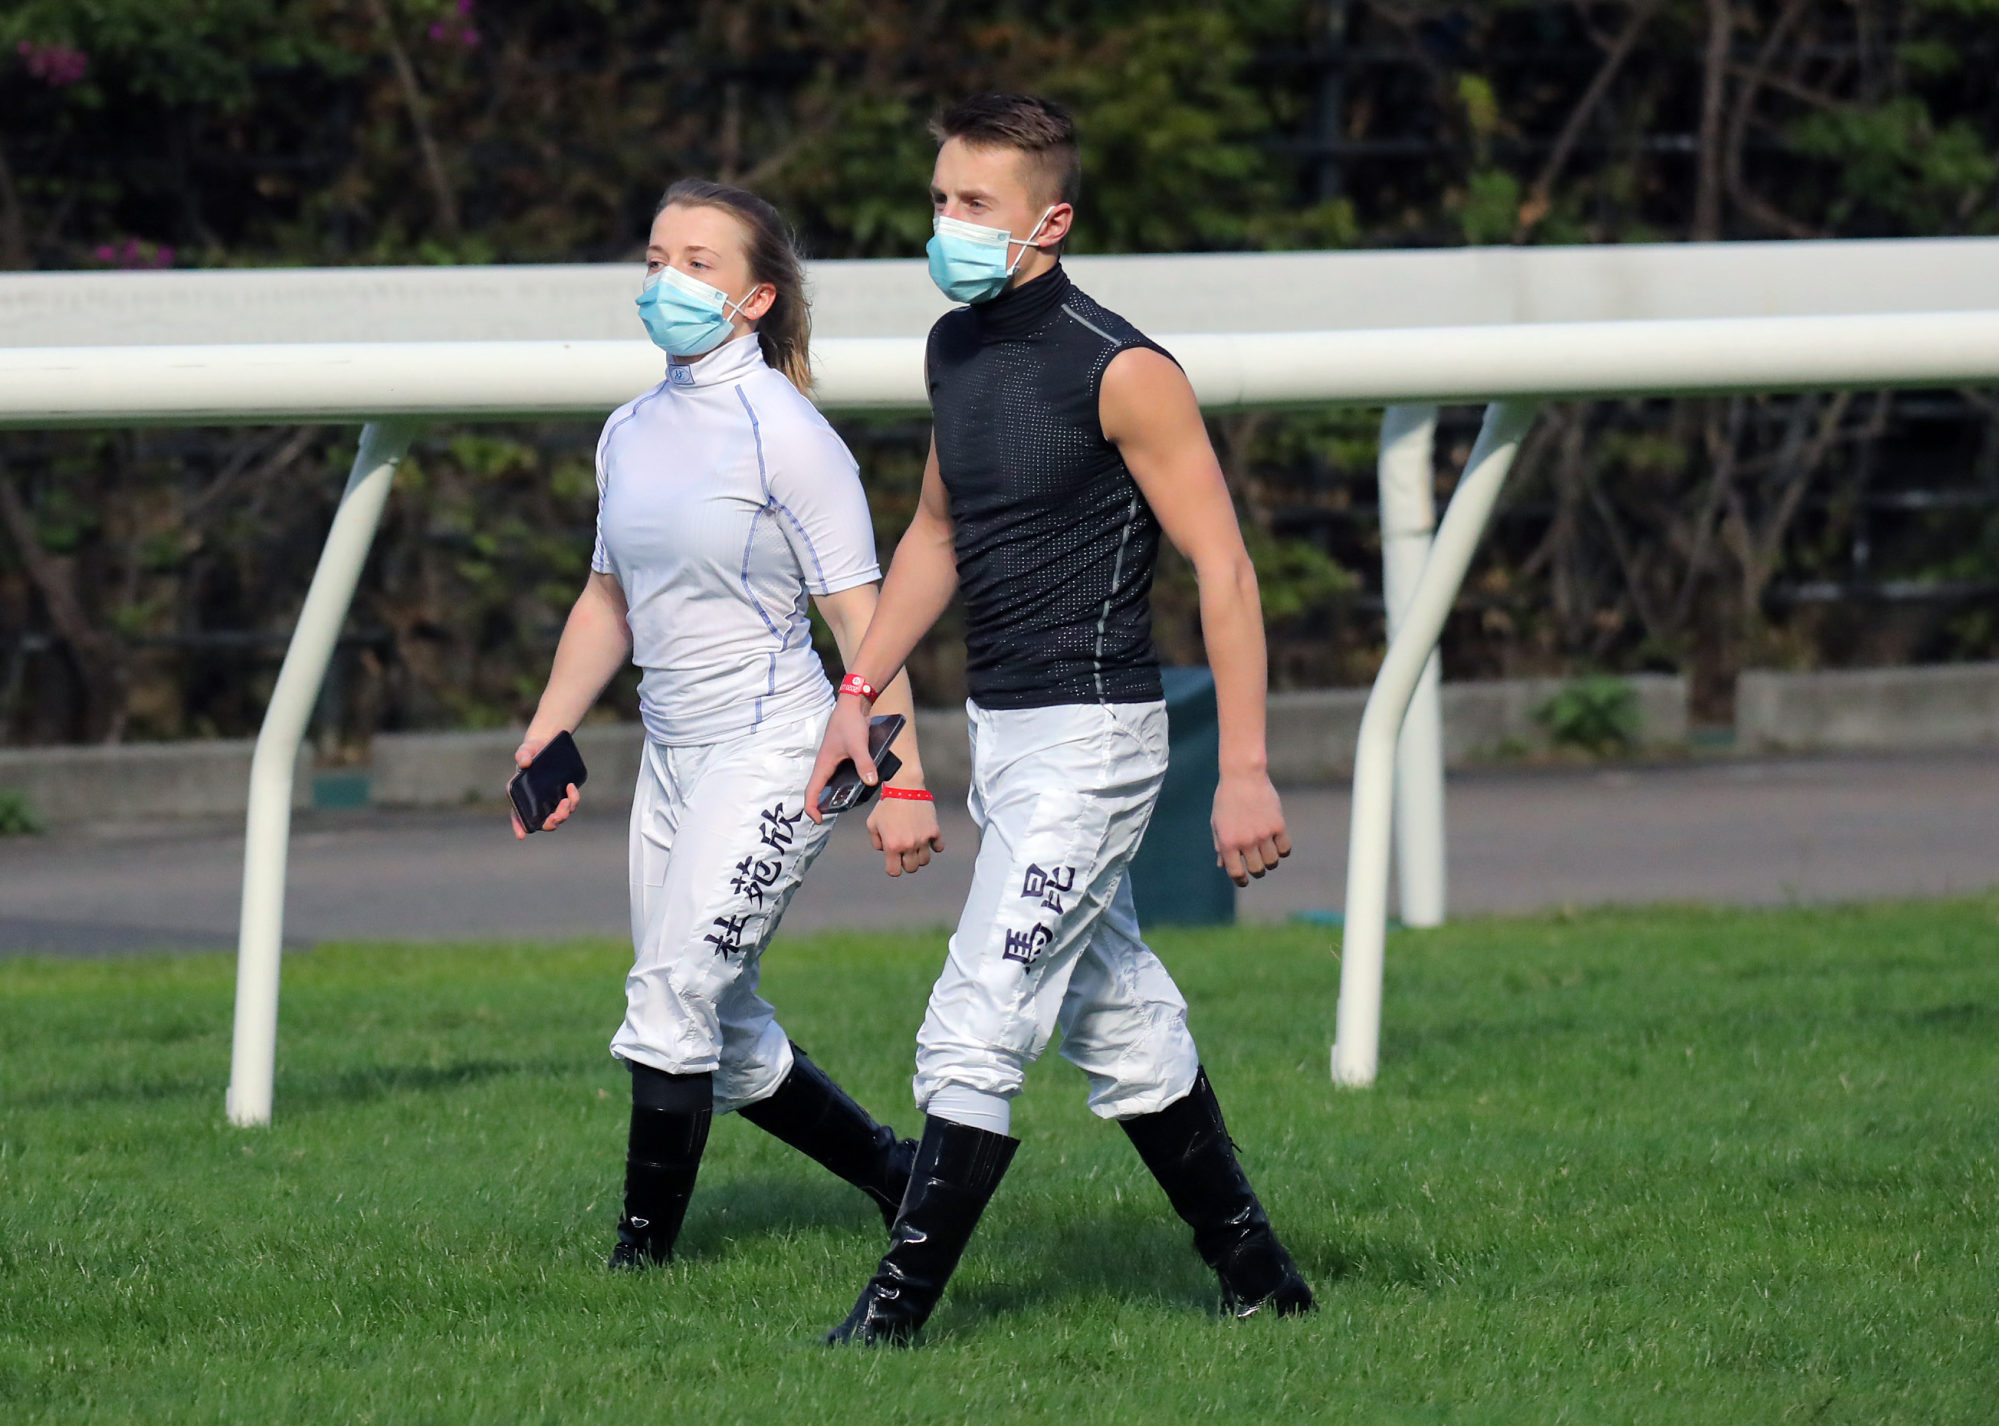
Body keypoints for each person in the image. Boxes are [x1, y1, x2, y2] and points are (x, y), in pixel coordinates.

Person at [803, 93, 1316, 1345]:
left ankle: (890, 1319)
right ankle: (1265, 1286)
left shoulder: (1122, 366)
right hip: (1006, 741)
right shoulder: (955, 349)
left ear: (1050, 219)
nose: (946, 225)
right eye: (938, 200)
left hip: (1096, 746)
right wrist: (854, 699)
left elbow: (1226, 568)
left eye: (973, 204)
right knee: (1117, 1020)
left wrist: (1242, 768)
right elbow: (935, 535)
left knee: (974, 1020)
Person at [514, 178, 946, 1272]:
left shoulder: (788, 435)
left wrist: (902, 786)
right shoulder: (628, 431)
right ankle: (901, 1177)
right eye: (656, 257)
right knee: (724, 1016)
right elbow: (606, 600)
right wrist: (546, 730)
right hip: (672, 760)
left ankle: (638, 1260)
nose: (667, 280)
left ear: (754, 299)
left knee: (671, 996)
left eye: (698, 263)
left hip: (779, 752)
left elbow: (866, 620)